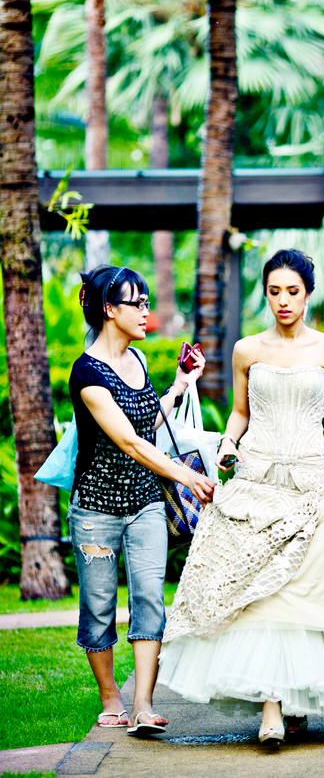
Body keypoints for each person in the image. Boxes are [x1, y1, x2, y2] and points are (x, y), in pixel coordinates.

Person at [158, 249, 324, 749]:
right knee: (263, 592)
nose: (282, 301)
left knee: (307, 585)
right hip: (256, 476)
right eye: (274, 291)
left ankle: (294, 698)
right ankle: (271, 707)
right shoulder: (246, 349)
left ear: (308, 293)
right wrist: (229, 444)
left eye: (292, 291)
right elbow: (238, 411)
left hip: (313, 476)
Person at [69, 265, 214, 735]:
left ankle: (144, 705)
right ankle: (110, 697)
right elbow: (129, 441)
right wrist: (187, 476)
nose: (147, 311)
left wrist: (180, 384)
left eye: (148, 301)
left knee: (150, 597)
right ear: (110, 310)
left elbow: (147, 424)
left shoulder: (140, 362)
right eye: (138, 303)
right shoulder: (87, 372)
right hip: (96, 509)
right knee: (98, 605)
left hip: (145, 503)